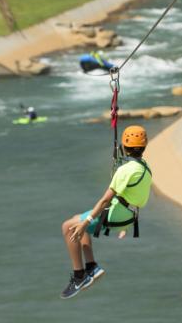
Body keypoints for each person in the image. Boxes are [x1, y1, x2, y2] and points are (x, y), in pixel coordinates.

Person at [59, 125, 153, 299]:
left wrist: (86, 223)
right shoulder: (145, 168)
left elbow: (104, 200)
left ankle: (79, 277)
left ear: (125, 147)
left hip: (116, 214)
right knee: (76, 219)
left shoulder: (124, 171)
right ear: (144, 146)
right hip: (129, 216)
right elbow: (135, 193)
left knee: (69, 227)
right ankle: (92, 266)